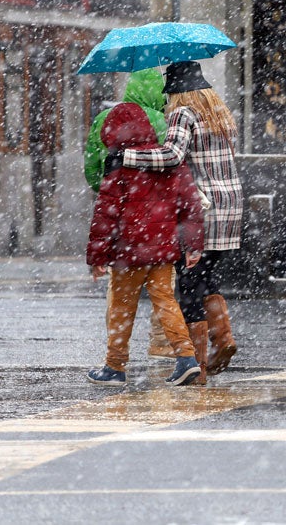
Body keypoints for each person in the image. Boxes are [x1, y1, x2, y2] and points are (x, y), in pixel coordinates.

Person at [118, 61, 243, 381]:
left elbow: (172, 155)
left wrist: (127, 157)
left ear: (175, 92)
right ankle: (223, 339)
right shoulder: (219, 112)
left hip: (200, 210)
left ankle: (196, 366)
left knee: (188, 284)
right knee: (204, 277)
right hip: (230, 206)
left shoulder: (183, 113)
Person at [85, 102, 204, 387]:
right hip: (163, 249)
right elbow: (190, 204)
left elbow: (106, 214)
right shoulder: (168, 160)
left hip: (129, 252)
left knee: (122, 308)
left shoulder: (118, 164)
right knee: (165, 301)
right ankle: (187, 358)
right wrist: (193, 244)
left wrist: (97, 256)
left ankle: (114, 366)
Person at [83, 68, 176, 360]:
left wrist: (107, 187)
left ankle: (116, 352)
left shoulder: (106, 118)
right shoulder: (164, 121)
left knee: (120, 286)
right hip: (159, 212)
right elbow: (172, 164)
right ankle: (161, 344)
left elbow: (91, 165)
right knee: (163, 286)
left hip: (120, 210)